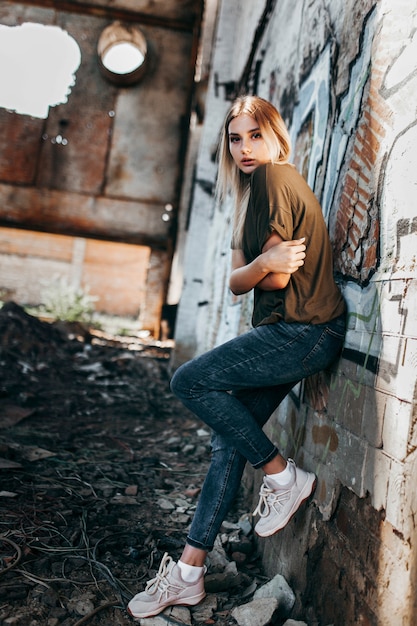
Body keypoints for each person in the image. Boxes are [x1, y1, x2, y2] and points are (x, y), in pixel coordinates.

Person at [127, 95, 346, 619]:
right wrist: (259, 262)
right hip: (291, 332)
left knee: (189, 381)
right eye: (235, 138)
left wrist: (261, 264)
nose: (245, 148)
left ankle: (281, 474)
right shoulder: (248, 197)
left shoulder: (274, 179)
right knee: (226, 443)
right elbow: (233, 283)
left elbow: (270, 278)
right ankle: (188, 574)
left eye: (254, 135)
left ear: (275, 137)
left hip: (303, 330)